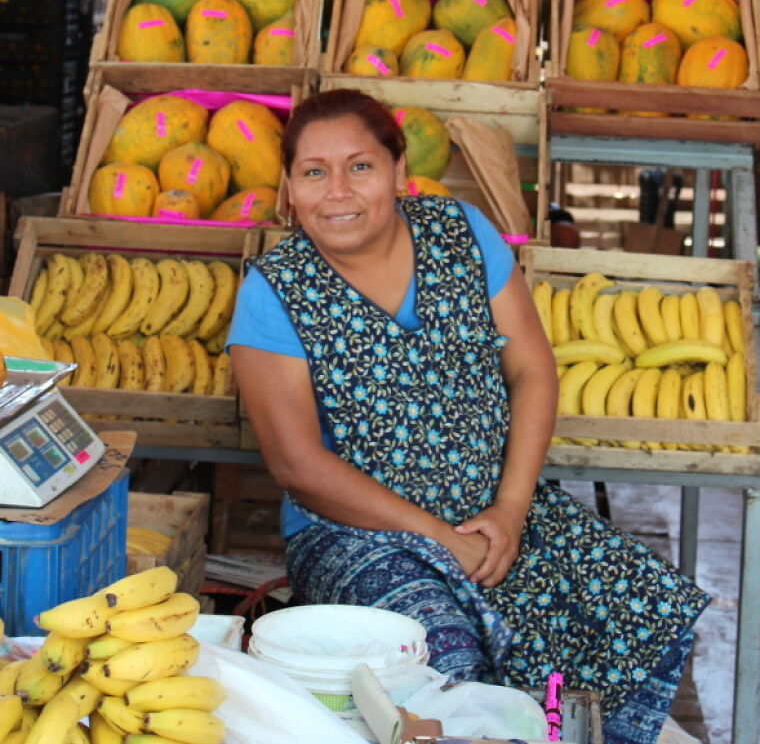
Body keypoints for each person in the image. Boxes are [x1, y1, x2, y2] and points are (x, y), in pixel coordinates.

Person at [229, 89, 708, 744]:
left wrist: (510, 509)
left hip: (492, 512)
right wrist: (442, 539)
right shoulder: (275, 290)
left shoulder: (461, 232)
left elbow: (532, 370)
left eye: (360, 166)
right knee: (442, 653)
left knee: (635, 600)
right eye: (314, 172)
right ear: (289, 189)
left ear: (399, 171)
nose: (337, 190)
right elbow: (298, 466)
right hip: (355, 533)